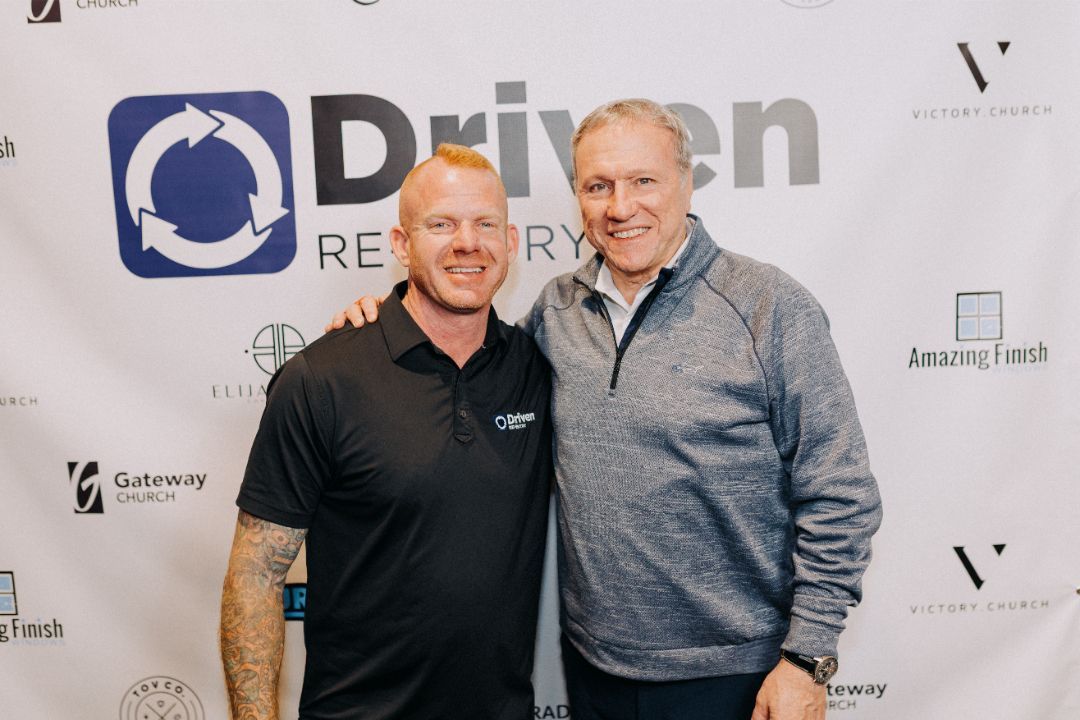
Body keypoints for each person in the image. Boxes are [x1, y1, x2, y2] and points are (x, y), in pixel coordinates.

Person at [330, 99, 882, 720]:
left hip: (738, 677)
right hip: (593, 673)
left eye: (643, 181)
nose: (621, 207)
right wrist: (379, 330)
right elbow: (467, 362)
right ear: (579, 197)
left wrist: (806, 661)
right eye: (599, 186)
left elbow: (841, 494)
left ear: (685, 183)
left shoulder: (768, 307)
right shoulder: (556, 311)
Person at [221, 144, 553, 720]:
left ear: (512, 242)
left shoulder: (537, 368)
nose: (467, 243)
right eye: (441, 224)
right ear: (402, 244)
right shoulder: (322, 379)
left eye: (485, 224)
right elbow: (254, 581)